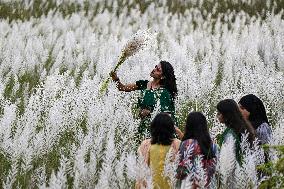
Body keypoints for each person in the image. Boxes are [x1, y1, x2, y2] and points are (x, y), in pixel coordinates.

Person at [111, 61, 178, 141]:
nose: (154, 69)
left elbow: (167, 116)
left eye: (158, 70)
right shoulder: (144, 84)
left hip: (157, 130)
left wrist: (150, 112)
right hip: (143, 124)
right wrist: (116, 79)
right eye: (155, 66)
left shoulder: (164, 93)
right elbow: (122, 88)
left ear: (163, 76)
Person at [136, 113, 181, 189]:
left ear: (153, 127)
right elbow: (189, 148)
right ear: (171, 128)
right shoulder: (176, 144)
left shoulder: (146, 145)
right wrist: (179, 132)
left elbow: (141, 169)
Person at [176, 112, 217, 188]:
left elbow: (181, 170)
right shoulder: (213, 145)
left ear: (188, 126)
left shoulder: (187, 143)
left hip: (190, 186)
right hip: (208, 186)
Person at [216, 99, 255, 164]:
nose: (217, 116)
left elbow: (228, 158)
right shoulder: (243, 127)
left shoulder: (230, 133)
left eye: (219, 113)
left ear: (227, 115)